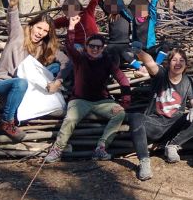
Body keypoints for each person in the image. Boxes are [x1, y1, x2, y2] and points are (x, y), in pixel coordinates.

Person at [44, 16, 131, 163]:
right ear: (86, 47)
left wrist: (124, 103)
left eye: (98, 47)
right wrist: (71, 26)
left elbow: (123, 79)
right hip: (79, 100)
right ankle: (57, 149)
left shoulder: (107, 61)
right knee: (70, 118)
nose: (95, 49)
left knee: (120, 114)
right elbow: (70, 46)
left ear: (103, 48)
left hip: (102, 101)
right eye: (92, 46)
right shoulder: (80, 59)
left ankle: (101, 148)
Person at [0, 0, 71, 141]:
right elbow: (12, 15)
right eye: (39, 27)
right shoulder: (18, 33)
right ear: (32, 25)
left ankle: (53, 98)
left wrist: (57, 81)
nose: (40, 32)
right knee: (20, 83)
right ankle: (7, 122)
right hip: (4, 82)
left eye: (45, 31)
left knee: (55, 68)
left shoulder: (43, 46)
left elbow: (66, 62)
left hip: (28, 84)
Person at [128, 48, 193, 181]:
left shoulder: (188, 81)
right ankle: (144, 161)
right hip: (155, 124)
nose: (177, 63)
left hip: (174, 126)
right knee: (135, 117)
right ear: (168, 63)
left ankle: (172, 146)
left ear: (186, 64)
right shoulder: (161, 74)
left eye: (181, 60)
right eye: (174, 60)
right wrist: (139, 52)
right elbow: (150, 62)